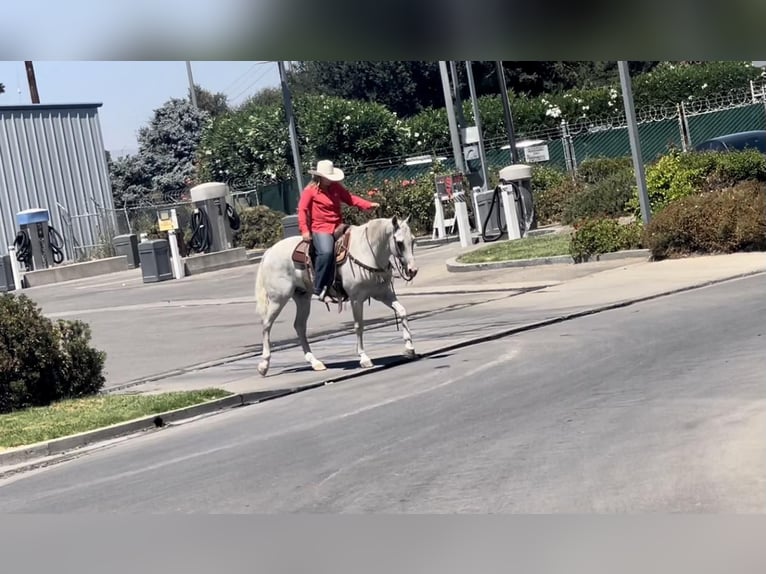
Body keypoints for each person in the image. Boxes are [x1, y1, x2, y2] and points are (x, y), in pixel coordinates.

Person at [298, 160, 379, 301]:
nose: (330, 179)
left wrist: (367, 204)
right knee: (326, 252)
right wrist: (305, 230)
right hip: (321, 228)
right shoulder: (310, 191)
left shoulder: (336, 188)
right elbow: (302, 210)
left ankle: (351, 282)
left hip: (338, 226)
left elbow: (350, 198)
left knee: (359, 243)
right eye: (327, 177)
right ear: (319, 176)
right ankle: (319, 287)